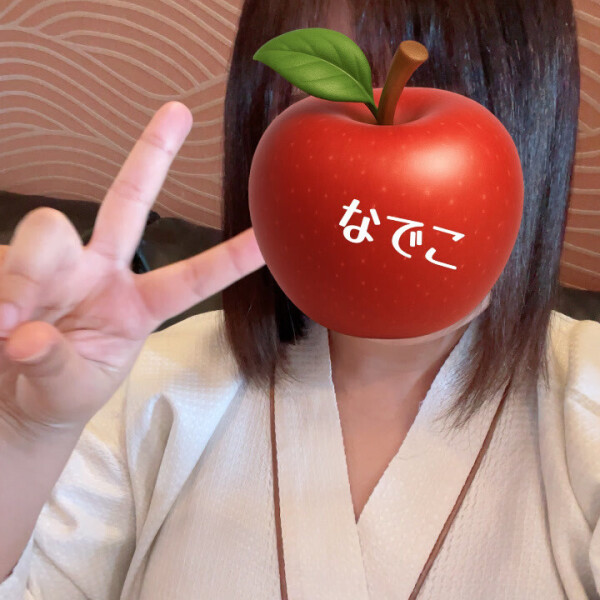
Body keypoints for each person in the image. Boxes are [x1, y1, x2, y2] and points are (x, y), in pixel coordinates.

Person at [0, 0, 598, 598]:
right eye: (317, 95)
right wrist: (25, 435)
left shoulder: (585, 403)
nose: (375, 192)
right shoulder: (145, 382)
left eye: (423, 93)